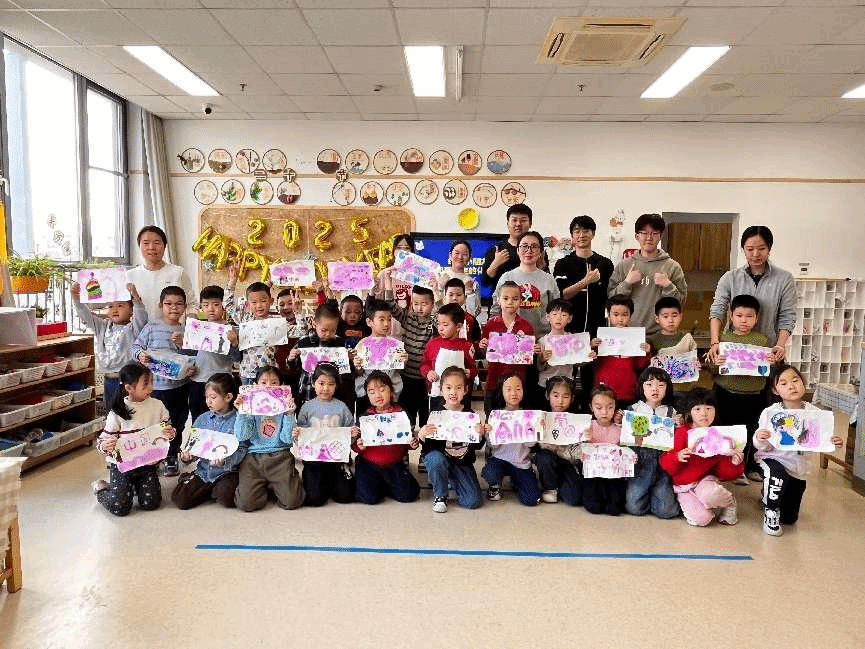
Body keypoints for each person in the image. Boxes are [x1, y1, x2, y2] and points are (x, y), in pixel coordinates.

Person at [754, 364, 843, 536]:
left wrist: (834, 444)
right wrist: (759, 438)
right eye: (784, 383)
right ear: (775, 390)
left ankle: (768, 495)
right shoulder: (771, 412)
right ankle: (770, 512)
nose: (791, 386)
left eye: (795, 380)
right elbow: (760, 444)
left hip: (798, 467)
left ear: (803, 383)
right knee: (776, 474)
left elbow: (822, 442)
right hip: (772, 459)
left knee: (789, 518)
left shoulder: (815, 413)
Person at [705, 294, 774, 483]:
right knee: (724, 430)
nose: (744, 320)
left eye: (749, 316)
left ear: (757, 319)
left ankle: (747, 467)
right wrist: (716, 363)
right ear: (731, 316)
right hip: (725, 393)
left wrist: (770, 362)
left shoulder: (762, 340)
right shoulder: (722, 339)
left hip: (754, 395)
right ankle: (724, 467)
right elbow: (711, 368)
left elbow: (767, 371)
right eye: (739, 315)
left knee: (750, 432)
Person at [91, 363, 175, 517]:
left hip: (147, 464)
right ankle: (101, 488)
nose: (151, 388)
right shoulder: (117, 411)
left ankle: (132, 487)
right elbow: (103, 440)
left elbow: (166, 428)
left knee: (151, 503)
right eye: (145, 384)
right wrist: (105, 446)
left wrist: (170, 433)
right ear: (129, 388)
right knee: (120, 507)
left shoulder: (158, 406)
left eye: (151, 382)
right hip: (122, 466)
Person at [131, 285, 197, 477]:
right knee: (154, 422)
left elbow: (193, 357)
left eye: (178, 304)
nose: (173, 308)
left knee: (177, 422)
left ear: (185, 307)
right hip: (155, 388)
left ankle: (171, 456)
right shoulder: (151, 328)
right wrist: (140, 355)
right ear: (161, 306)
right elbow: (135, 347)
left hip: (179, 387)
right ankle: (152, 456)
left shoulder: (187, 331)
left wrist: (183, 347)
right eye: (168, 304)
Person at [708, 225, 796, 363]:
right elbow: (717, 311)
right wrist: (715, 342)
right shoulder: (730, 278)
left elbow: (788, 316)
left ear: (769, 249)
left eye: (761, 248)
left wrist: (780, 345)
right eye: (750, 249)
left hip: (768, 353)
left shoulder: (784, 279)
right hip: (733, 353)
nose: (755, 254)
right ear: (743, 249)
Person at [659, 388, 743, 527]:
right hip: (683, 487)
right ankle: (704, 503)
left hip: (705, 481)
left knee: (710, 494)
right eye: (697, 409)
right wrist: (677, 457)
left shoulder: (719, 435)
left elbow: (724, 474)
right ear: (689, 412)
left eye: (709, 408)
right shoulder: (682, 432)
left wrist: (734, 463)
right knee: (702, 520)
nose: (704, 413)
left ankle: (729, 502)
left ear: (715, 411)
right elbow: (665, 462)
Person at [233, 366, 304, 512]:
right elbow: (241, 436)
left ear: (281, 385)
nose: (268, 387)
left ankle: (277, 483)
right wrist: (242, 412)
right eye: (263, 382)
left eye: (274, 382)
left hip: (280, 456)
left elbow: (287, 440)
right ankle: (267, 485)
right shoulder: (250, 405)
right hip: (253, 457)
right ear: (255, 384)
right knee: (246, 504)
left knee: (292, 501)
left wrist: (289, 414)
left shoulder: (284, 406)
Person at [172, 373, 247, 510]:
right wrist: (187, 457)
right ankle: (198, 484)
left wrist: (226, 461)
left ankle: (212, 490)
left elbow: (242, 449)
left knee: (227, 498)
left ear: (228, 397)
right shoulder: (202, 419)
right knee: (180, 499)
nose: (208, 401)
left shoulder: (238, 420)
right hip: (204, 471)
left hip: (227, 472)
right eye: (206, 397)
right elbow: (193, 447)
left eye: (213, 397)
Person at [418, 367, 487, 513]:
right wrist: (422, 435)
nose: (453, 392)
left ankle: (450, 479)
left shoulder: (471, 415)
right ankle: (440, 495)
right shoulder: (436, 414)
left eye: (458, 387)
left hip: (462, 463)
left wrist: (481, 435)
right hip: (441, 459)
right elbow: (429, 449)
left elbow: (477, 446)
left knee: (473, 501)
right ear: (441, 389)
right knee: (435, 459)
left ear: (466, 390)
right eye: (448, 387)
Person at [71, 280, 147, 410]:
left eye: (120, 305)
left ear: (131, 310)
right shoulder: (102, 326)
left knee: (131, 413)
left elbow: (141, 316)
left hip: (130, 381)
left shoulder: (134, 328)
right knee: (111, 413)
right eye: (111, 306)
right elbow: (86, 316)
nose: (115, 310)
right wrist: (76, 299)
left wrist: (135, 297)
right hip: (109, 380)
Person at [608, 213, 687, 335]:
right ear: (637, 236)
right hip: (628, 334)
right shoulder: (624, 266)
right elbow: (610, 299)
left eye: (654, 233)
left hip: (661, 335)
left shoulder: (672, 267)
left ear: (660, 236)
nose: (649, 237)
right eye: (644, 233)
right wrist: (627, 283)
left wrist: (668, 285)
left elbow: (680, 303)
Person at [293, 362, 356, 507]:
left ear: (336, 386)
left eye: (331, 384)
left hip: (337, 460)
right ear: (313, 384)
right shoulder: (306, 407)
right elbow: (301, 437)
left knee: (346, 496)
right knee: (314, 500)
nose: (326, 388)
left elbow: (349, 433)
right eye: (321, 383)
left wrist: (353, 434)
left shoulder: (341, 406)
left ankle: (332, 481)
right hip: (313, 461)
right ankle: (321, 483)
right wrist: (297, 435)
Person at [352, 371, 421, 505]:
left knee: (410, 494)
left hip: (394, 462)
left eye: (382, 390)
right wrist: (359, 446)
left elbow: (407, 440)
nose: (377, 395)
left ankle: (384, 483)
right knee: (368, 498)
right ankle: (378, 482)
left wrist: (412, 444)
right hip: (369, 462)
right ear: (367, 396)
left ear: (391, 391)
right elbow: (355, 445)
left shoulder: (401, 414)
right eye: (372, 392)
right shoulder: (365, 417)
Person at [623, 367, 681, 519]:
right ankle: (649, 495)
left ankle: (659, 495)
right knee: (634, 508)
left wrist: (679, 424)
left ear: (667, 388)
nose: (655, 389)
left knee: (667, 511)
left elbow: (678, 438)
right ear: (641, 387)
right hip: (641, 464)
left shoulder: (671, 412)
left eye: (661, 385)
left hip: (663, 464)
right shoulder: (633, 409)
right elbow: (626, 439)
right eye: (649, 384)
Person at [481, 372, 541, 506]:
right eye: (508, 389)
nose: (514, 393)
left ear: (523, 390)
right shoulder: (496, 416)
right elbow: (492, 446)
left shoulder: (529, 416)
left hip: (521, 462)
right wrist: (488, 434)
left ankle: (517, 481)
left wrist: (537, 429)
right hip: (499, 460)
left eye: (518, 389)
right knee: (491, 471)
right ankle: (495, 486)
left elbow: (530, 444)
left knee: (531, 500)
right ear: (501, 391)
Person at [382, 283, 436, 430]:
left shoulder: (435, 322)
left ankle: (425, 439)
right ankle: (408, 436)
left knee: (426, 414)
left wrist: (437, 290)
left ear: (432, 304)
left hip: (426, 379)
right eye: (415, 303)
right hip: (406, 376)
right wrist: (388, 281)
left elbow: (444, 314)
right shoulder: (408, 317)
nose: (419, 308)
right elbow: (390, 305)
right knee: (407, 413)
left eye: (424, 304)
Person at [479, 280, 535, 416]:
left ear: (521, 301)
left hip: (517, 383)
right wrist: (482, 345)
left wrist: (534, 350)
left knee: (517, 419)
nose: (510, 302)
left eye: (515, 299)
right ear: (498, 300)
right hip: (494, 381)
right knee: (492, 418)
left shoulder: (526, 326)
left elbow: (528, 357)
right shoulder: (490, 324)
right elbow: (486, 353)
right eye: (505, 298)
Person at [553, 215, 614, 337]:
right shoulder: (562, 264)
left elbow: (611, 295)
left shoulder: (605, 263)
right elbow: (561, 295)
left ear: (593, 234)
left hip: (598, 328)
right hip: (569, 328)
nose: (581, 235)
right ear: (572, 235)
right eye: (577, 231)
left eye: (586, 231)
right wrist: (586, 281)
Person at [490, 231, 559, 337]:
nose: (529, 250)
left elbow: (557, 311)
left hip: (541, 339)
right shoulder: (506, 277)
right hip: (510, 340)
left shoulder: (548, 279)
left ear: (541, 252)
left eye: (534, 247)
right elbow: (495, 309)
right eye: (524, 246)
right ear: (518, 250)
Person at [188, 285, 241, 423]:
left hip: (221, 383)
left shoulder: (231, 329)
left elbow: (237, 358)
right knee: (198, 419)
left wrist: (234, 343)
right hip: (198, 380)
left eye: (216, 304)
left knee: (222, 418)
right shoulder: (197, 328)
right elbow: (191, 353)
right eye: (206, 305)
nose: (211, 309)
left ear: (223, 305)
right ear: (201, 307)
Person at [288, 303, 353, 411]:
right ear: (314, 323)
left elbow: (345, 371)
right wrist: (291, 357)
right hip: (308, 392)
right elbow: (294, 367)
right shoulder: (304, 342)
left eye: (332, 330)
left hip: (333, 395)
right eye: (324, 330)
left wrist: (349, 359)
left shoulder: (340, 343)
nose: (328, 334)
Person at [590, 295, 651, 410]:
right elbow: (592, 362)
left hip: (627, 389)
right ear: (608, 315)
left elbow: (639, 365)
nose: (620, 319)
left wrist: (646, 352)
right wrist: (592, 348)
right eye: (616, 314)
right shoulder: (600, 338)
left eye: (625, 314)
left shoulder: (636, 338)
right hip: (604, 388)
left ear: (630, 316)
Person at [126, 225, 196, 321]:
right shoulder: (130, 276)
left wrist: (190, 326)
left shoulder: (178, 273)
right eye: (146, 243)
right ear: (139, 246)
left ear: (164, 246)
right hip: (140, 330)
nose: (151, 247)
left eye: (156, 243)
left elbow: (192, 304)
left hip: (174, 329)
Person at [352, 299, 409, 416]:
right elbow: (359, 372)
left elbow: (398, 370)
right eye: (382, 319)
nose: (387, 324)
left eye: (389, 319)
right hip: (368, 395)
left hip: (391, 394)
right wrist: (357, 366)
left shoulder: (395, 344)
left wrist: (404, 362)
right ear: (369, 322)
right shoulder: (362, 344)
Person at [224, 264, 279, 385]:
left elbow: (299, 331)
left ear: (271, 301)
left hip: (269, 375)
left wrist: (298, 312)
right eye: (254, 302)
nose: (259, 305)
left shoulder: (276, 322)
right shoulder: (245, 318)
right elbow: (228, 304)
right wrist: (232, 282)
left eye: (263, 301)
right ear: (248, 304)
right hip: (248, 373)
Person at [534, 376, 583, 506]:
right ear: (547, 395)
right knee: (544, 458)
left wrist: (585, 438)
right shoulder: (540, 417)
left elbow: (576, 456)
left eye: (565, 396)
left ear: (572, 398)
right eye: (555, 396)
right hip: (547, 457)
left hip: (567, 461)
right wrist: (538, 430)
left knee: (574, 499)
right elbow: (531, 445)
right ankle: (549, 487)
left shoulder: (576, 420)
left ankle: (558, 482)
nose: (560, 401)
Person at [421, 303, 477, 412]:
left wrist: (470, 372)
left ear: (458, 326)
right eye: (438, 324)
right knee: (437, 418)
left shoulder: (466, 346)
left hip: (459, 395)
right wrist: (428, 372)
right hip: (437, 393)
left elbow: (473, 368)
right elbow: (424, 363)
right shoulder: (433, 343)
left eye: (445, 325)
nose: (440, 328)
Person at [581, 384, 627, 516]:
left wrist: (629, 457)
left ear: (615, 407)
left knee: (614, 508)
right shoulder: (588, 426)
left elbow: (625, 451)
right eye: (599, 408)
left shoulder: (620, 428)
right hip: (594, 475)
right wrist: (584, 442)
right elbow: (580, 449)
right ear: (591, 407)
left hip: (614, 475)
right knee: (593, 506)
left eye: (610, 407)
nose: (604, 412)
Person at [648, 296, 700, 407]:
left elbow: (694, 360)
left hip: (684, 390)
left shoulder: (687, 339)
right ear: (657, 318)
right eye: (665, 316)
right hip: (659, 392)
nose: (670, 320)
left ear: (681, 316)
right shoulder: (651, 340)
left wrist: (696, 365)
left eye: (674, 315)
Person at [480, 203, 534, 292]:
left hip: (530, 299)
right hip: (501, 299)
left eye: (523, 220)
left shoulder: (537, 250)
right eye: (514, 220)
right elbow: (485, 282)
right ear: (507, 223)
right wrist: (495, 264)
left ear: (530, 224)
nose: (518, 224)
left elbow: (545, 279)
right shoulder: (496, 250)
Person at [437, 239, 481, 316]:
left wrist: (470, 293)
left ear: (469, 258)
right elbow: (432, 308)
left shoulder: (471, 282)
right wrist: (440, 288)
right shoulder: (439, 277)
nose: (460, 257)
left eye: (464, 254)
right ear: (450, 255)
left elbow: (474, 313)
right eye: (457, 253)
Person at [441, 277, 481, 344]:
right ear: (444, 298)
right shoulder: (438, 319)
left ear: (465, 298)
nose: (454, 298)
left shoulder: (471, 319)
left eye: (459, 295)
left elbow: (476, 341)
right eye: (451, 295)